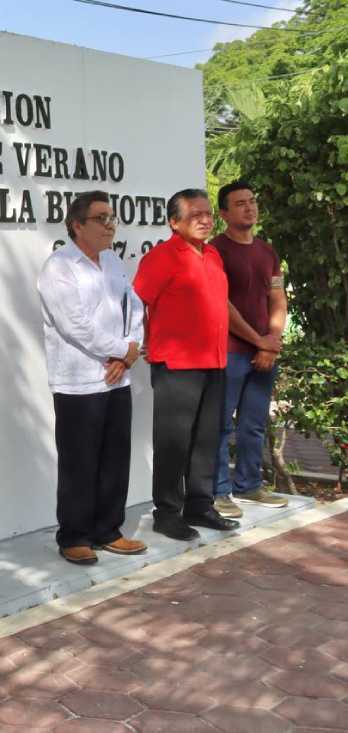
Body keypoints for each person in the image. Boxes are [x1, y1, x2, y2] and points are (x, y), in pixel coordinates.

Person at [38, 191, 147, 565]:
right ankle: (74, 535)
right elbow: (75, 326)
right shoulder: (59, 267)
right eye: (100, 218)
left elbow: (134, 307)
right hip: (78, 379)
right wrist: (121, 350)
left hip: (116, 377)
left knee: (115, 457)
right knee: (80, 461)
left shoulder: (114, 262)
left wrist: (130, 350)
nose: (110, 224)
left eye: (111, 217)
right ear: (77, 225)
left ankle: (108, 530)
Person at [133, 189, 240, 541]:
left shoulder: (212, 255)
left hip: (214, 361)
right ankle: (167, 512)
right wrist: (141, 341)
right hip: (177, 364)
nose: (205, 220)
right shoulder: (162, 257)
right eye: (195, 215)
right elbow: (136, 304)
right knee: (174, 441)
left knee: (206, 439)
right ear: (174, 221)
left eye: (208, 213)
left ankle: (200, 505)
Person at [208, 181, 289, 518]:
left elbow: (277, 298)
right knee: (221, 425)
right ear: (224, 213)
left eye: (252, 201)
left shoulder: (267, 252)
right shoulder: (216, 250)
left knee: (254, 424)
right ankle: (218, 491)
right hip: (228, 351)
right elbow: (221, 305)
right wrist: (259, 341)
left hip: (263, 351)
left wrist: (272, 340)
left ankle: (250, 485)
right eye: (240, 203)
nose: (249, 208)